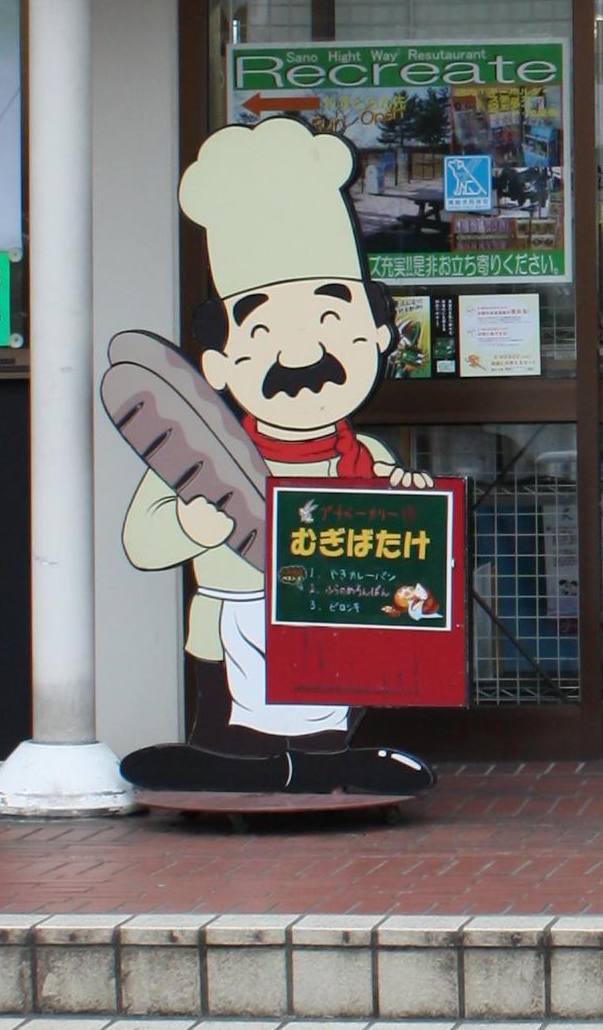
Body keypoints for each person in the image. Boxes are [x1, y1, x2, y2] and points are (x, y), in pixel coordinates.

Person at [119, 116, 435, 802]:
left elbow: (397, 551)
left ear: (379, 334)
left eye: (330, 321)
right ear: (219, 362)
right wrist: (190, 524)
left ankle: (324, 766)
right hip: (224, 632)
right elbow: (142, 540)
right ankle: (236, 771)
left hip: (332, 631)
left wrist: (406, 500)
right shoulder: (198, 448)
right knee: (233, 738)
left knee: (322, 729)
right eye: (263, 331)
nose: (301, 354)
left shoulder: (364, 455)